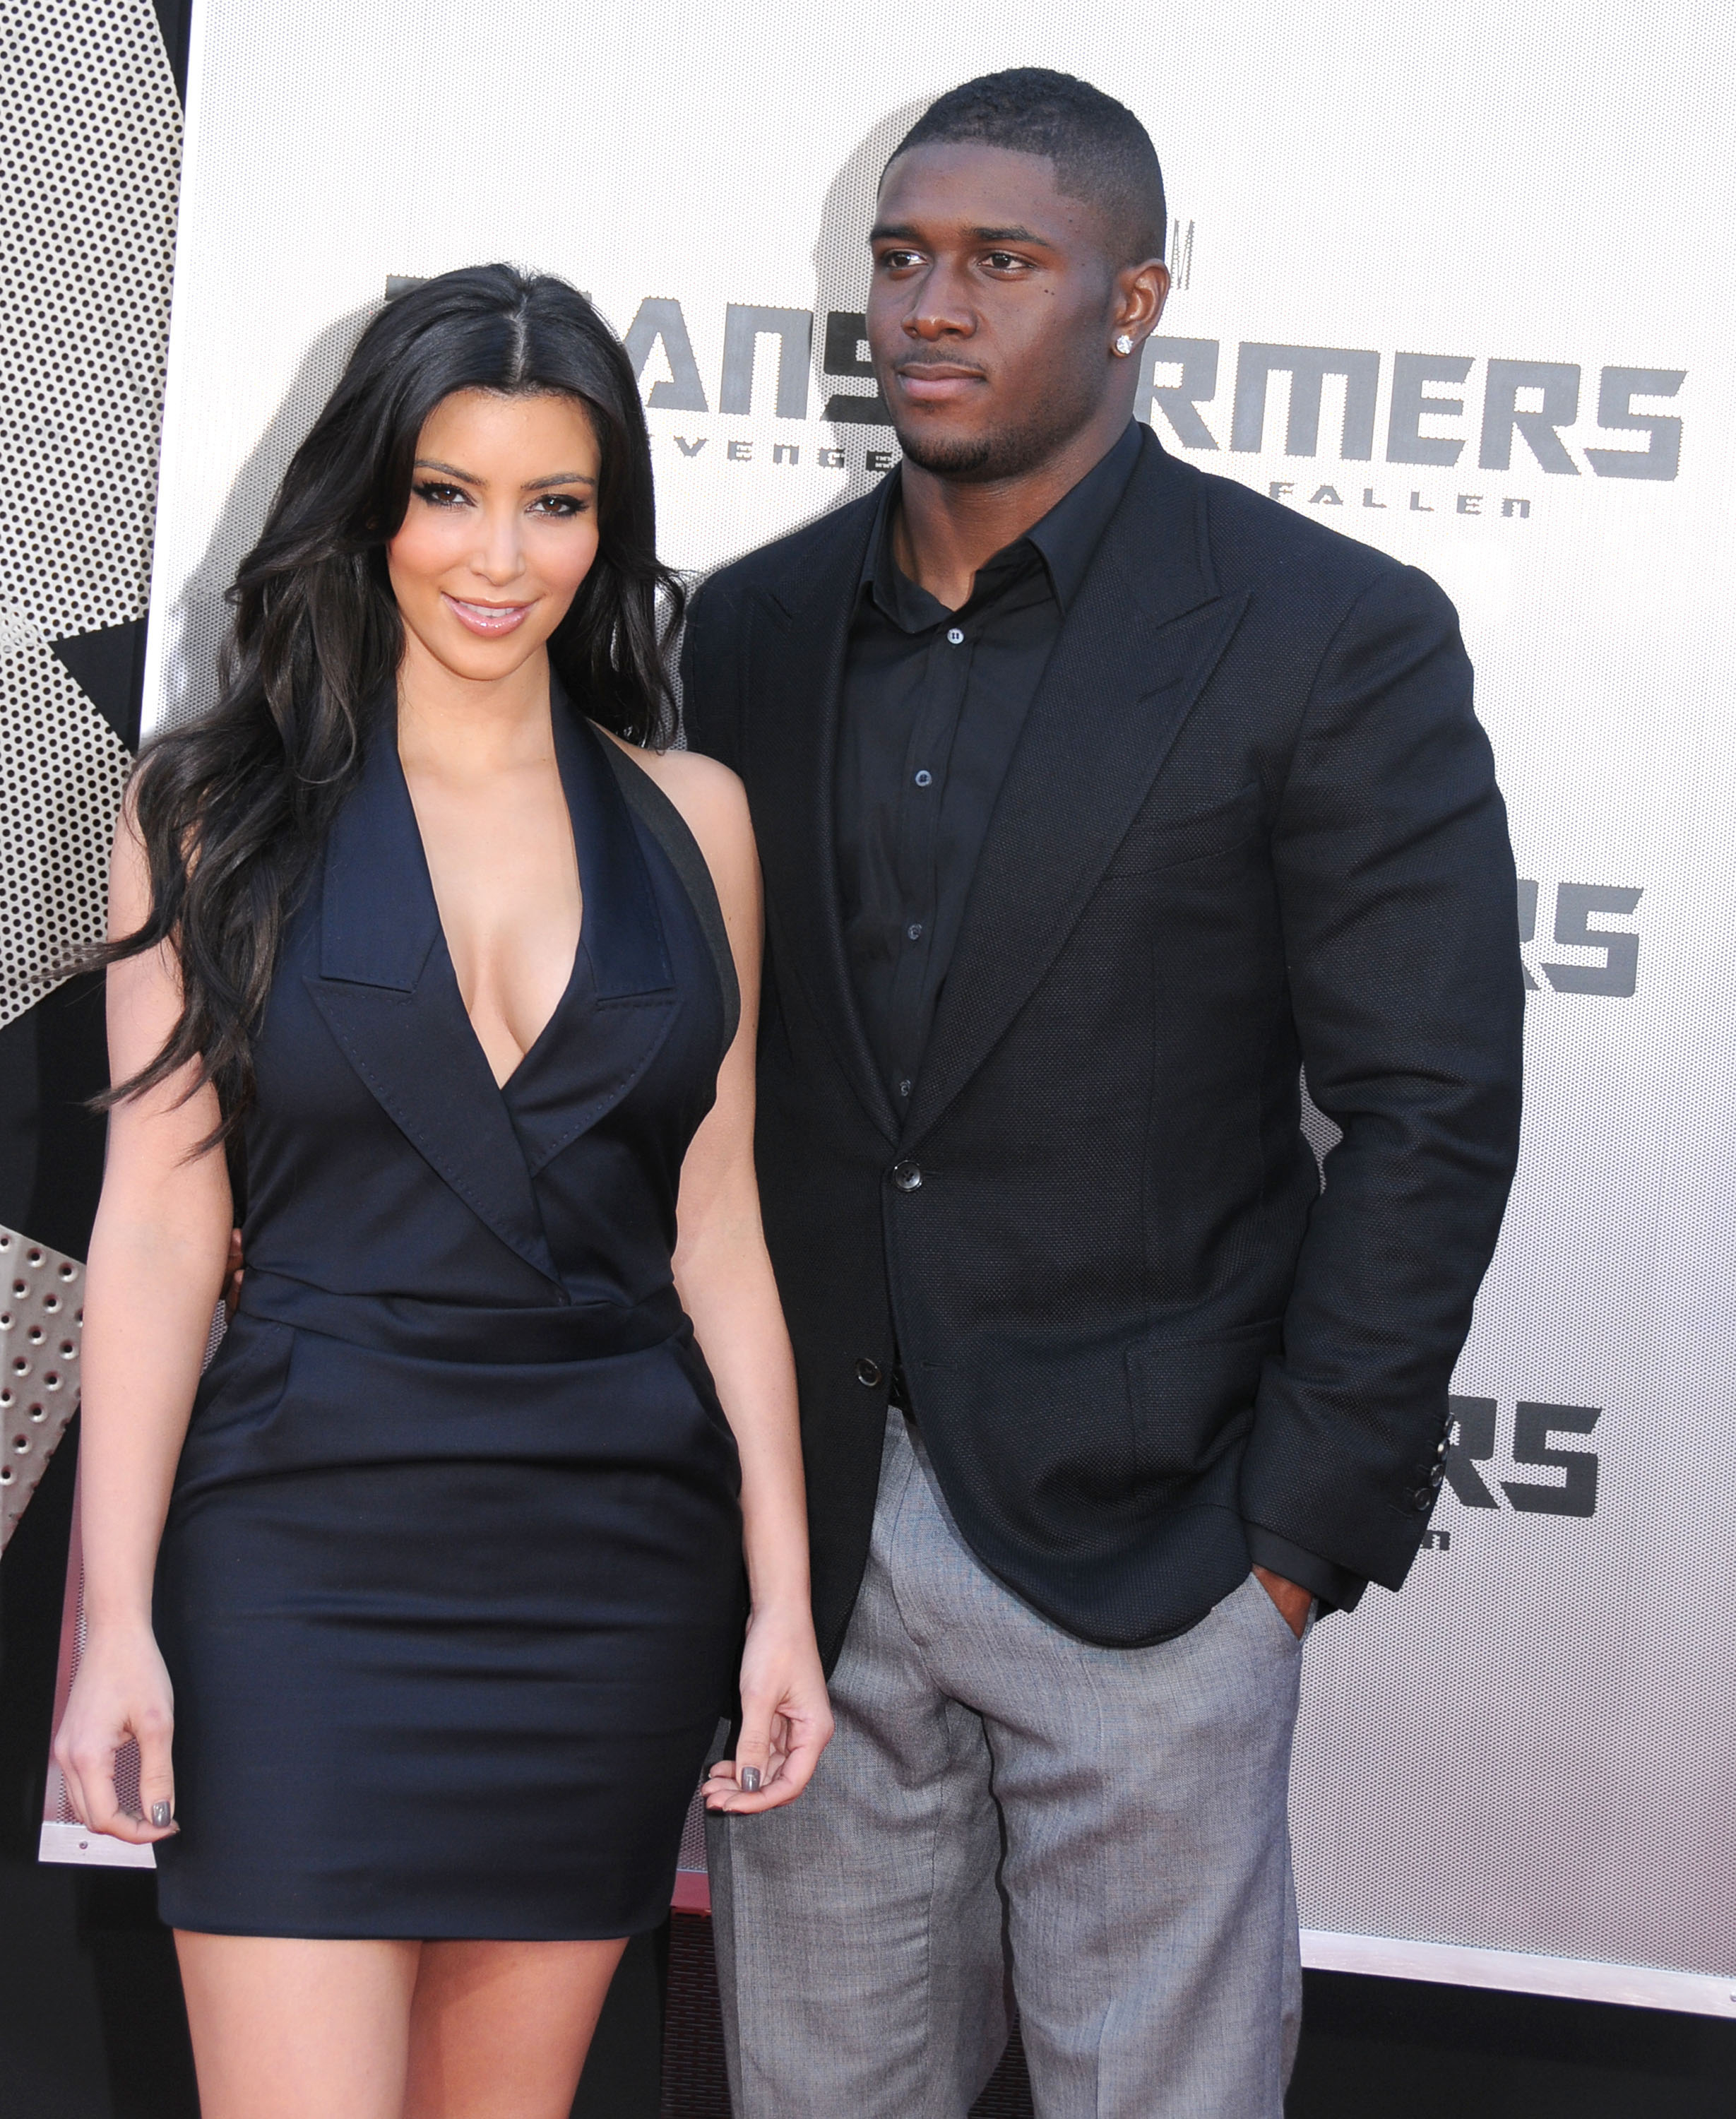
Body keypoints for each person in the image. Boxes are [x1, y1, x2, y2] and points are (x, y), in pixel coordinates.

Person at [682, 69, 1525, 2119]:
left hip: (1165, 1554)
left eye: (998, 262)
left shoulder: (1327, 635)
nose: (928, 310)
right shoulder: (752, 630)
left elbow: (1429, 1106)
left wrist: (1287, 1552)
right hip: (809, 1550)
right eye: (898, 260)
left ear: (1132, 297)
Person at [52, 264, 829, 2119]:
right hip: (298, 1565)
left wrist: (781, 1600)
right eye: (448, 493)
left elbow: (715, 1228)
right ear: (368, 506)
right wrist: (118, 1627)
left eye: (555, 502)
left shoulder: (692, 817)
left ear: (607, 526)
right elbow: (158, 1231)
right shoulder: (205, 812)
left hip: (608, 1580)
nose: (501, 555)